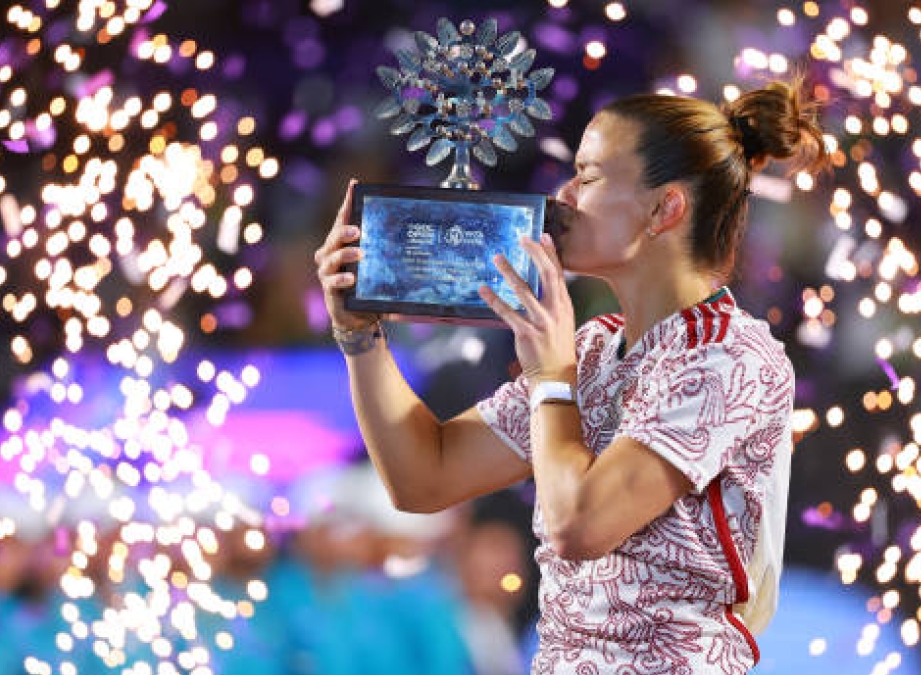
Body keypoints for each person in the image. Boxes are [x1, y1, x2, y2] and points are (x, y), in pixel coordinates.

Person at [313, 77, 827, 674]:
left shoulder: (730, 356)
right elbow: (423, 476)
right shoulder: (593, 350)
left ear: (664, 209)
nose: (562, 196)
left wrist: (551, 377)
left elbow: (580, 525)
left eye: (589, 176)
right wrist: (359, 334)